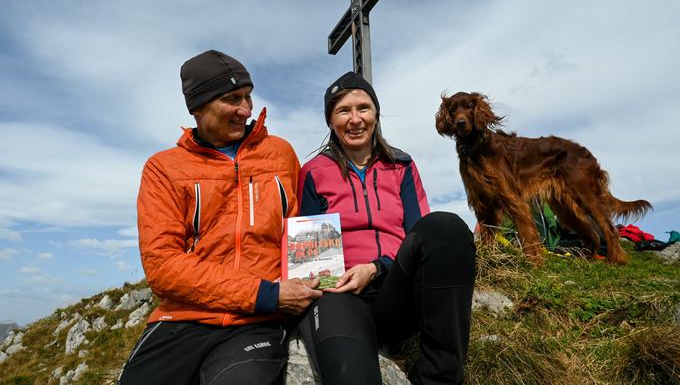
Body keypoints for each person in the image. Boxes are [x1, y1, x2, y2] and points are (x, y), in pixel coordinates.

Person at [118, 50, 322, 385]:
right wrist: (265, 293)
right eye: (232, 99)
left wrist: (311, 286)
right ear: (197, 107)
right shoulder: (163, 168)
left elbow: (299, 231)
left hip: (256, 323)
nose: (246, 110)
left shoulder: (280, 153)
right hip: (180, 320)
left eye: (247, 97)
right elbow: (163, 266)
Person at [297, 72, 476, 385]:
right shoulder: (313, 172)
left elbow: (420, 236)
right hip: (342, 296)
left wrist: (377, 268)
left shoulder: (401, 165)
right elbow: (312, 262)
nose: (355, 119)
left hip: (397, 287)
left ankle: (439, 377)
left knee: (446, 227)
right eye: (343, 111)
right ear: (330, 121)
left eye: (363, 108)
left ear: (375, 114)